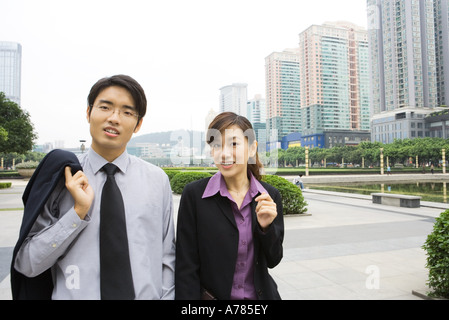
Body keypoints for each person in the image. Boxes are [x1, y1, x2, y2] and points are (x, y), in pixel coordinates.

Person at [12, 75, 175, 300]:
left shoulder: (157, 180)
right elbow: (27, 264)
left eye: (127, 112)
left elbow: (168, 258)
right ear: (88, 113)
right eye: (105, 107)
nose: (114, 118)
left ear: (138, 124)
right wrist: (77, 213)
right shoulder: (61, 177)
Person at [175, 112, 284, 300]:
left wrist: (266, 228)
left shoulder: (269, 196)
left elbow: (273, 260)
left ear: (251, 149)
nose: (224, 153)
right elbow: (186, 266)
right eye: (217, 145)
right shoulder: (194, 195)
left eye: (234, 144)